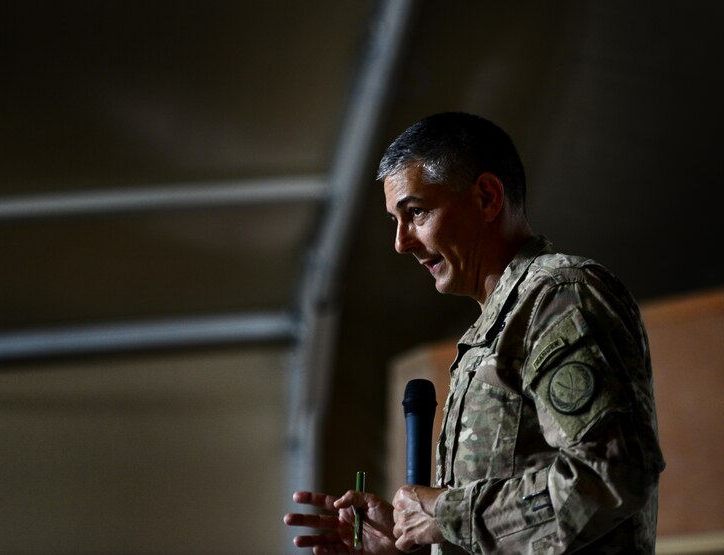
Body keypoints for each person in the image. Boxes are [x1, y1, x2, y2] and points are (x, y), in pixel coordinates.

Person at [283, 112, 665, 553]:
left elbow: (611, 474)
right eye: (395, 221)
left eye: (417, 212)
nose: (401, 242)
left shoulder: (558, 297)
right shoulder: (493, 327)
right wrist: (410, 538)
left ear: (486, 197)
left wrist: (447, 515)